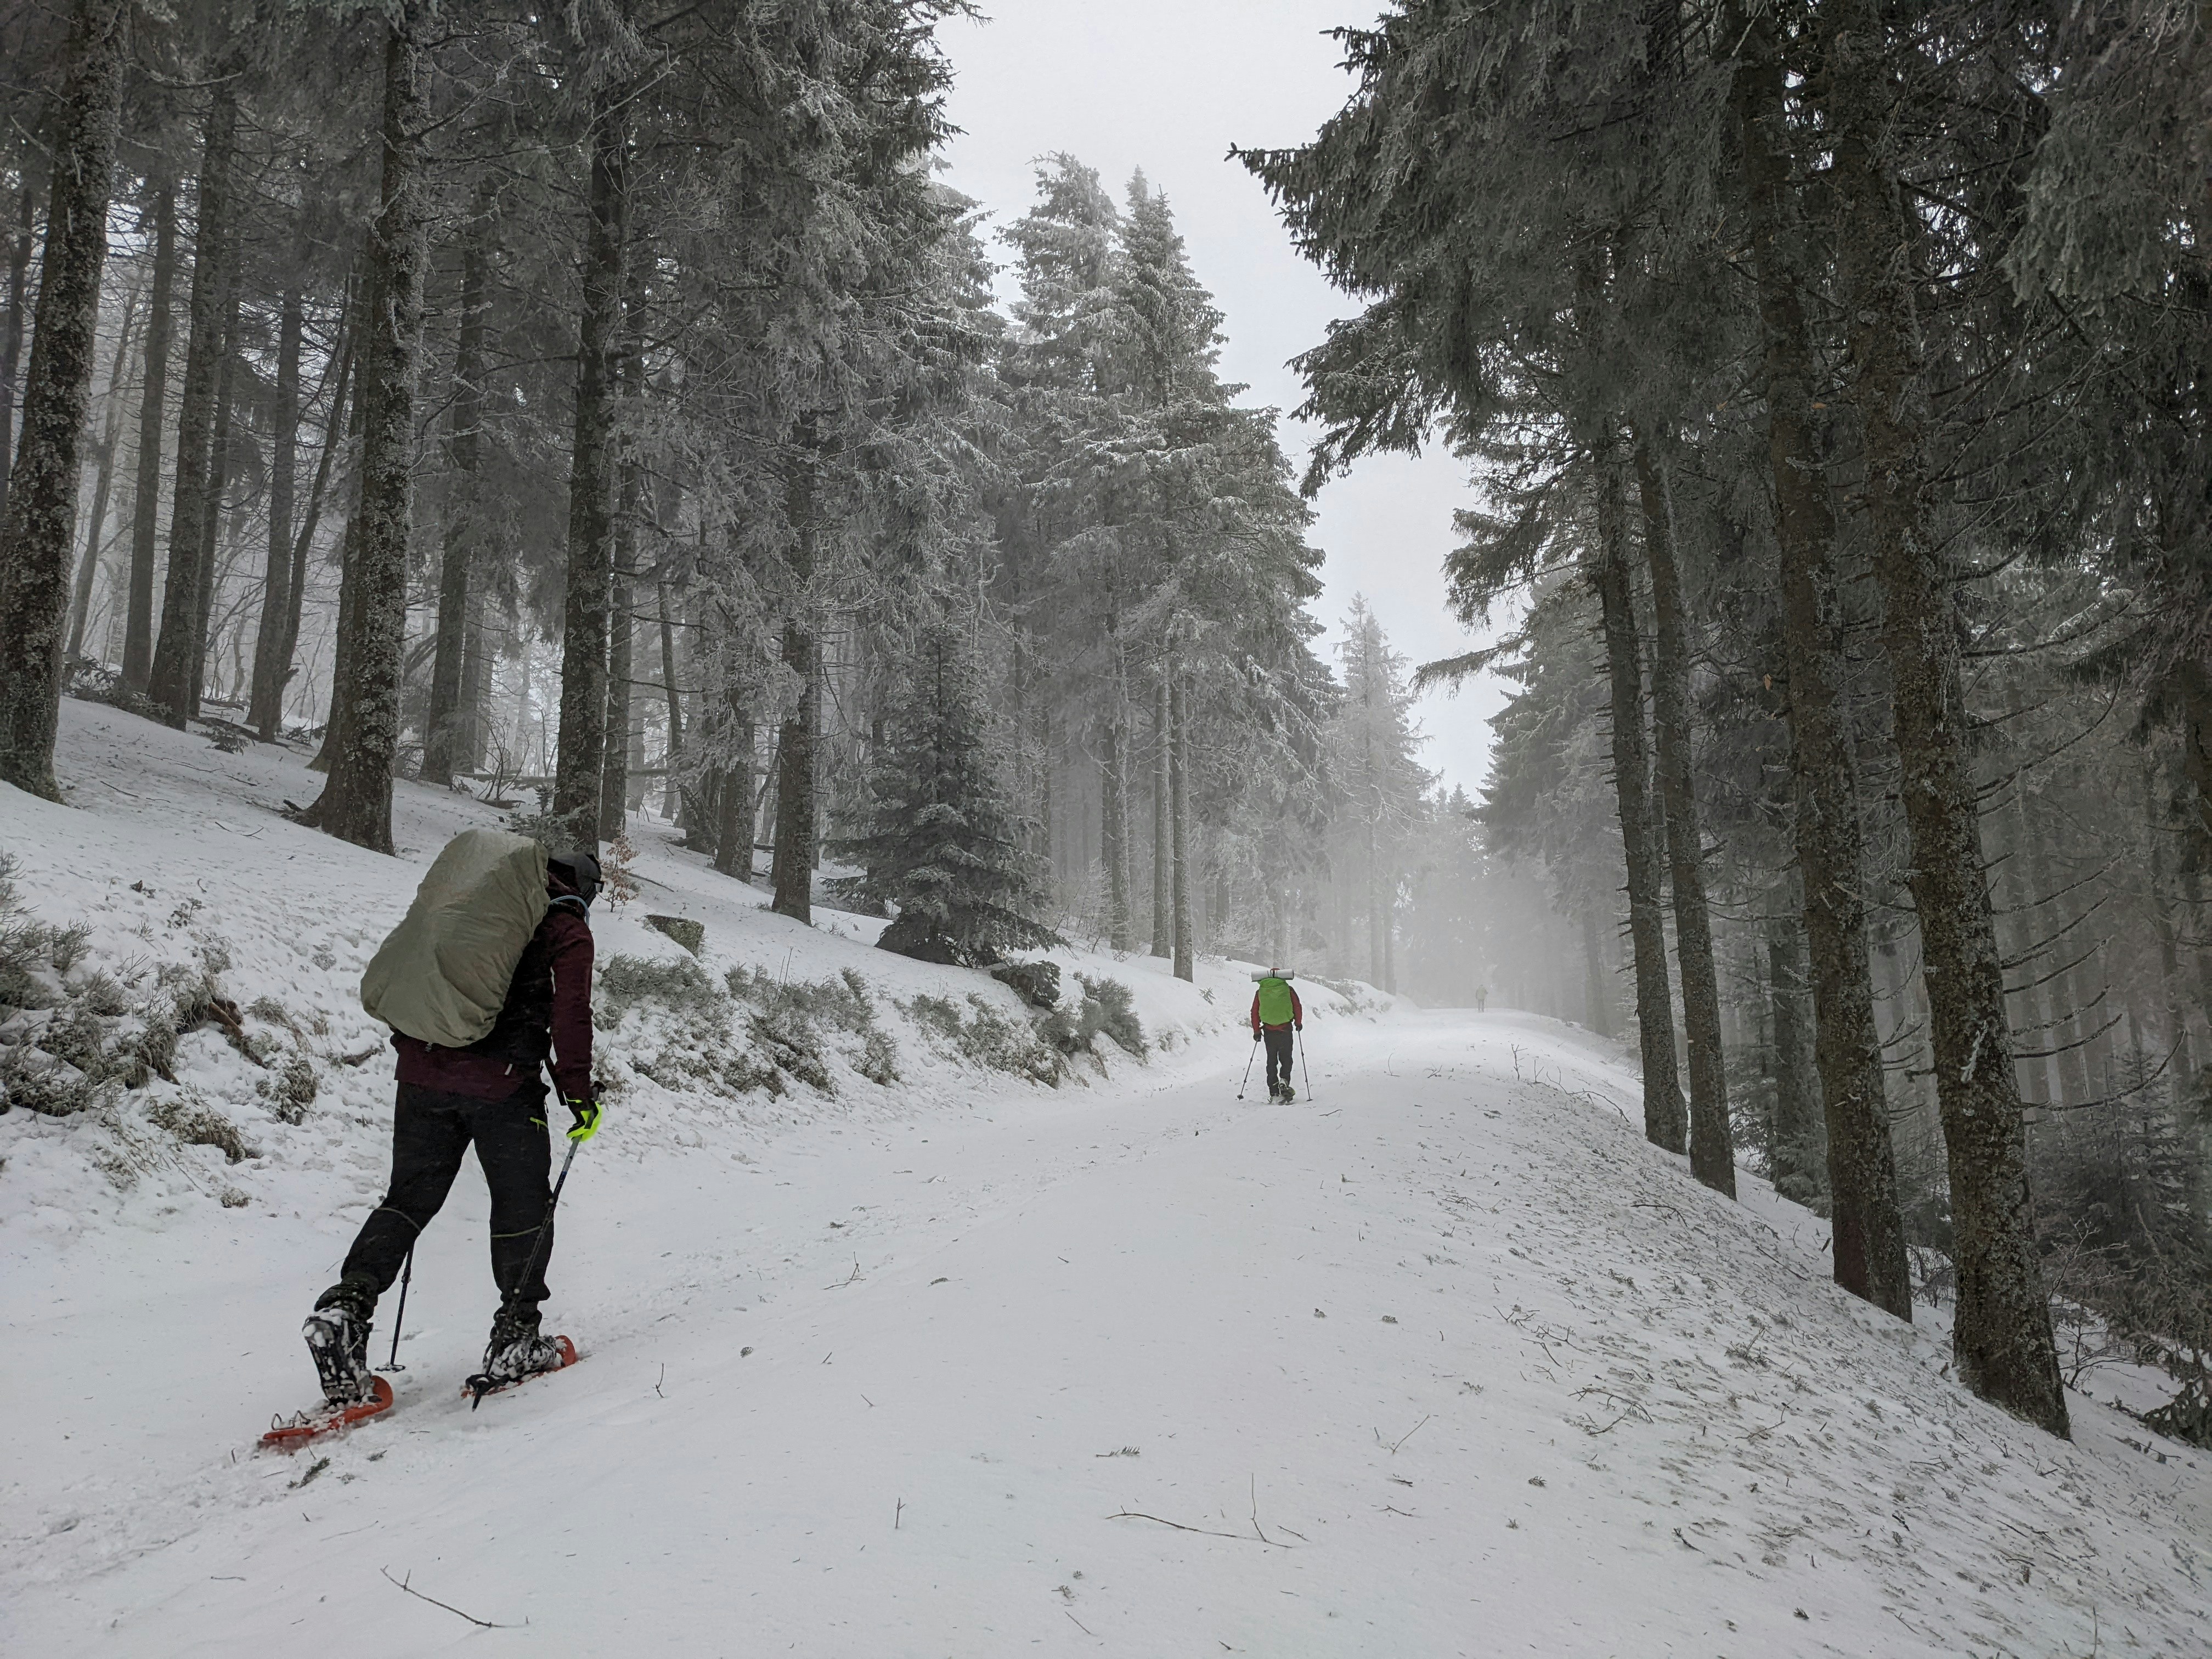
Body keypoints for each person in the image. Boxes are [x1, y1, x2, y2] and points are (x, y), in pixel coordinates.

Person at [302, 849, 605, 1405]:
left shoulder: (477, 907)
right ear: (585, 889)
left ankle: (346, 1308)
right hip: (504, 1087)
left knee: (407, 1199)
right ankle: (516, 1335)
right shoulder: (565, 928)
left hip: (422, 1076)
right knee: (522, 1204)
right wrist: (579, 1093)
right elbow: (571, 1015)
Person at [1249, 970, 1304, 1103]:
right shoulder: (1288, 989)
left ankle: (1274, 1091)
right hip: (1286, 1029)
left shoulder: (1260, 992)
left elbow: (1254, 1012)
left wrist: (1257, 1031)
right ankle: (1284, 1080)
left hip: (1269, 1032)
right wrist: (1298, 1023)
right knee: (1286, 1059)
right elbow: (1297, 1006)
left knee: (1271, 1061)